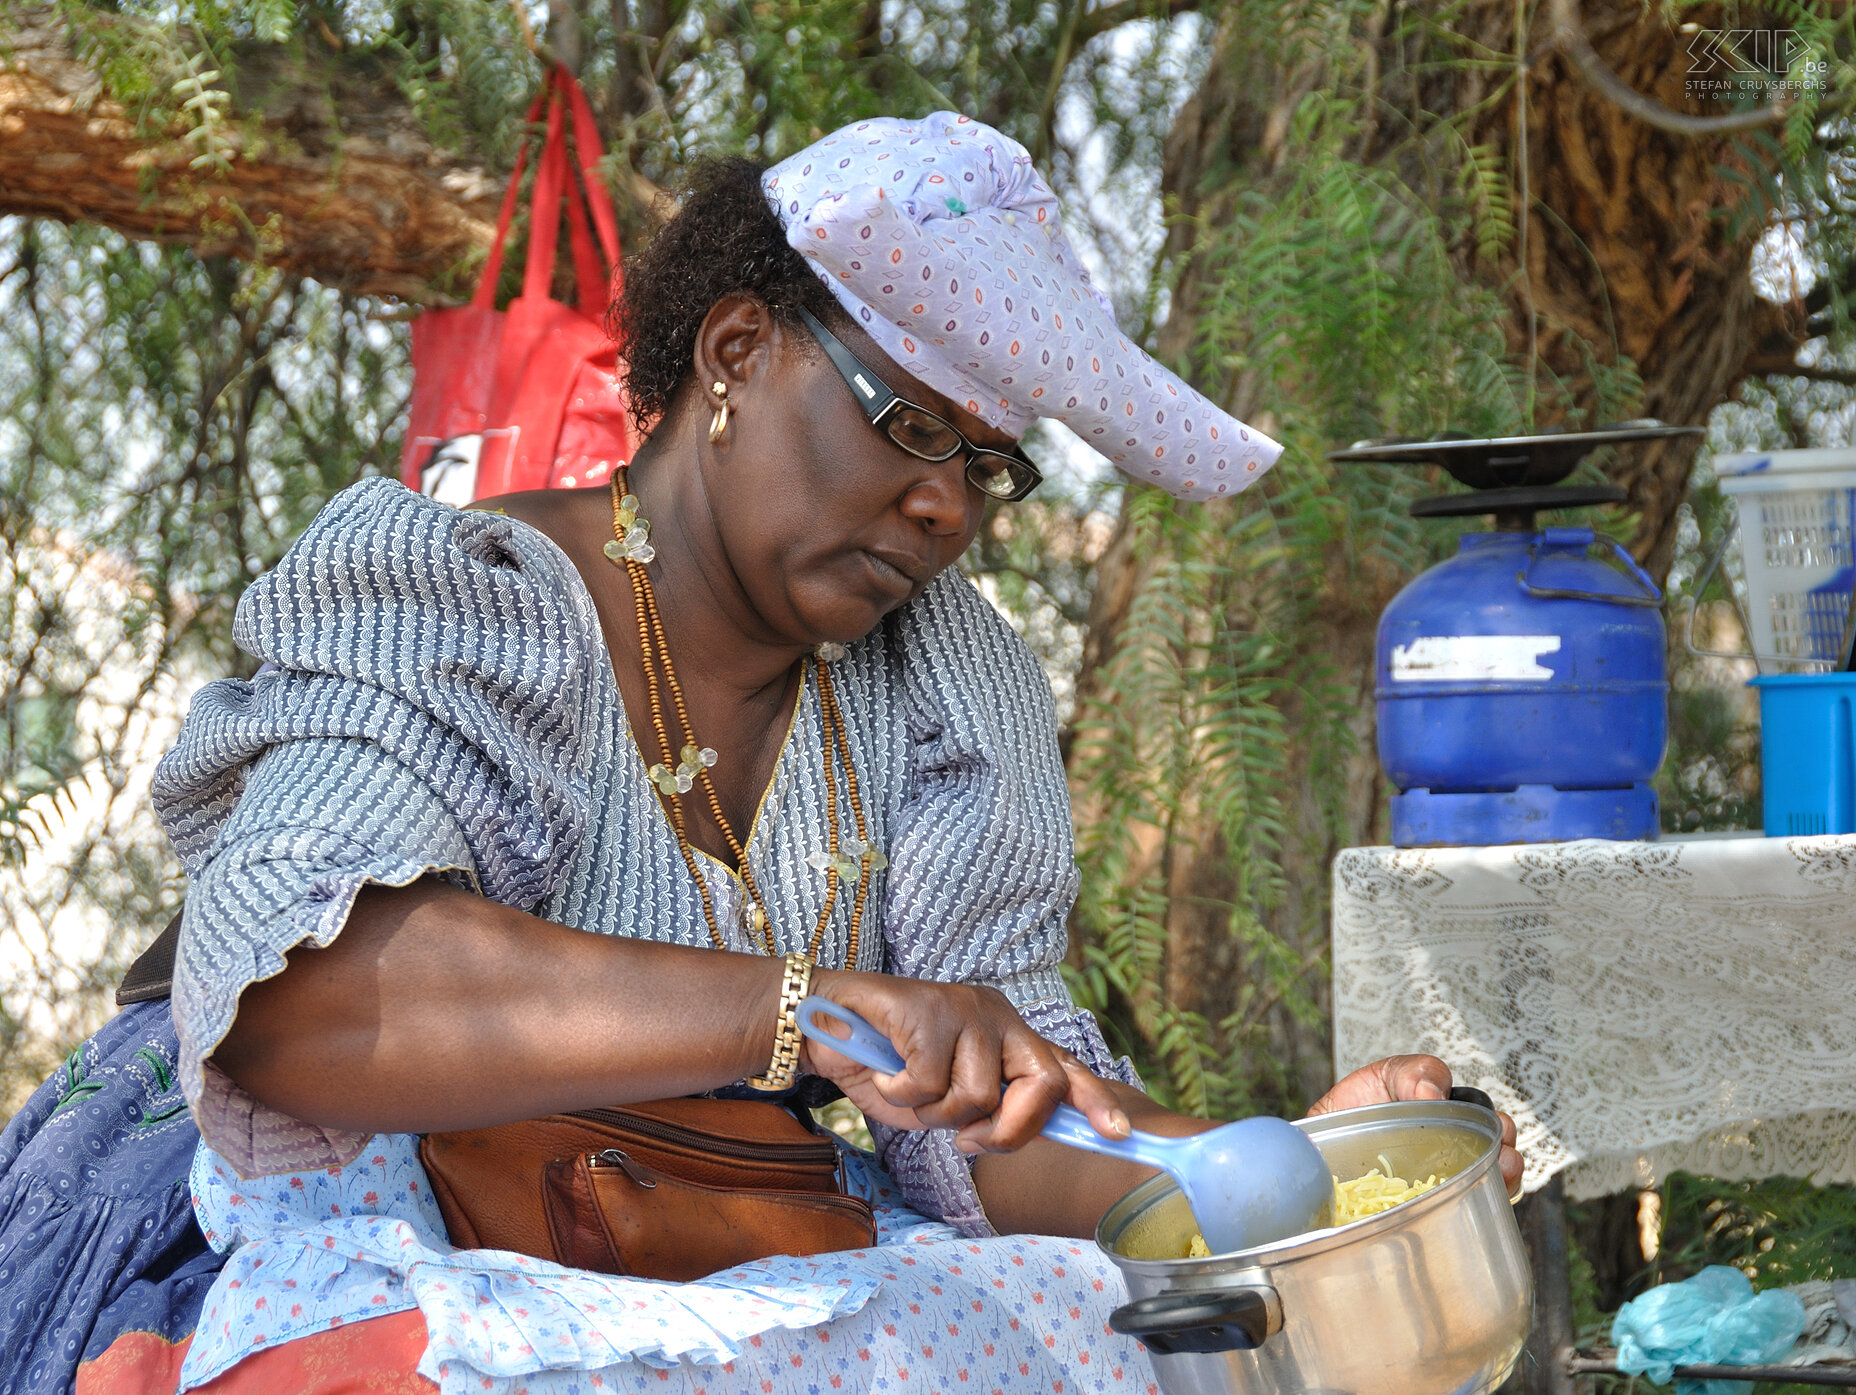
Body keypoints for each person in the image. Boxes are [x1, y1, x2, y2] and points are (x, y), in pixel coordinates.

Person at [1, 112, 1521, 1395]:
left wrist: (1273, 1163)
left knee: (1117, 1345)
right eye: (911, 424)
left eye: (988, 465)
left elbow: (998, 1136)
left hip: (697, 1223)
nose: (950, 509)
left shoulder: (946, 686)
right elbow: (305, 1004)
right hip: (340, 1205)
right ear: (735, 351)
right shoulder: (464, 600)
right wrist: (801, 1011)